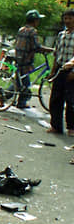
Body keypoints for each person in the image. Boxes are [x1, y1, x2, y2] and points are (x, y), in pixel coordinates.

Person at [12, 9, 53, 109]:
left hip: (18, 57)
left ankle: (13, 98)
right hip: (26, 59)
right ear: (35, 21)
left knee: (20, 80)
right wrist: (51, 49)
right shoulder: (33, 31)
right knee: (25, 83)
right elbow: (36, 46)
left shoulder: (21, 29)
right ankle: (18, 101)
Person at [48, 9, 74, 137]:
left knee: (71, 101)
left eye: (70, 18)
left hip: (71, 71)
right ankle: (56, 126)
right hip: (60, 69)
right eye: (65, 18)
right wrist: (53, 71)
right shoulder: (61, 35)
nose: (67, 21)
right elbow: (56, 54)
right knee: (55, 99)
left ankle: (71, 127)